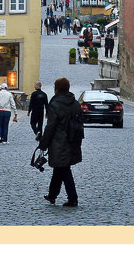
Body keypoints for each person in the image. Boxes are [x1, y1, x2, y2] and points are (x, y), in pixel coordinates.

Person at [39, 76, 83, 207]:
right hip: (73, 140)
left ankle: (73, 198)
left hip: (59, 141)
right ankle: (52, 195)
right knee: (60, 168)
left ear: (56, 89)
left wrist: (43, 143)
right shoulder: (75, 103)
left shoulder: (55, 104)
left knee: (64, 169)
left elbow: (51, 126)